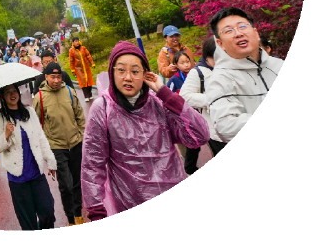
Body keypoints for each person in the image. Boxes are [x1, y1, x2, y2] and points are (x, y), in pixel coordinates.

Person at [81, 41, 209, 219]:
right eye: (121, 70)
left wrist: (166, 94)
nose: (128, 77)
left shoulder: (158, 102)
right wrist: (96, 210)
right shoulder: (102, 108)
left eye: (135, 71)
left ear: (145, 74)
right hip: (131, 202)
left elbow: (199, 135)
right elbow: (93, 164)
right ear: (112, 73)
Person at [206, 7, 284, 143]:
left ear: (256, 33)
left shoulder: (279, 65)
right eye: (228, 31)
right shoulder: (219, 79)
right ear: (220, 43)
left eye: (242, 26)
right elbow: (226, 127)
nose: (238, 33)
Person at [0, 83, 58, 230]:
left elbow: (41, 137)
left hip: (36, 174)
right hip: (18, 178)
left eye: (14, 91)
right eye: (8, 92)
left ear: (18, 92)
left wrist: (51, 161)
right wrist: (6, 135)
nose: (12, 94)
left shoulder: (29, 111)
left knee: (47, 212)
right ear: (3, 97)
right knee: (28, 222)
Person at [33, 62, 86, 226]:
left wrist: (82, 135)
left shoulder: (69, 91)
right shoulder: (39, 98)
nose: (56, 80)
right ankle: (70, 218)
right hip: (56, 147)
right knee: (66, 185)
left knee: (77, 182)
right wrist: (46, 154)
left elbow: (79, 115)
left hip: (75, 143)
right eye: (52, 77)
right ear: (46, 77)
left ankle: (78, 214)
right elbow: (36, 127)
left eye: (58, 77)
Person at [179, 36, 226, 172]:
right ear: (208, 56)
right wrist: (211, 100)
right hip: (214, 127)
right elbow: (185, 96)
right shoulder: (198, 72)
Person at [68, 37, 95, 101]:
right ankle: (86, 96)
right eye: (75, 41)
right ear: (73, 43)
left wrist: (92, 63)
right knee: (83, 83)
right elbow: (71, 61)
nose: (77, 42)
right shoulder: (71, 51)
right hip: (79, 69)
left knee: (89, 81)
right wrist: (72, 70)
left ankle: (90, 94)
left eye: (77, 41)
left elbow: (88, 55)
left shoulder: (83, 48)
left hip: (86, 68)